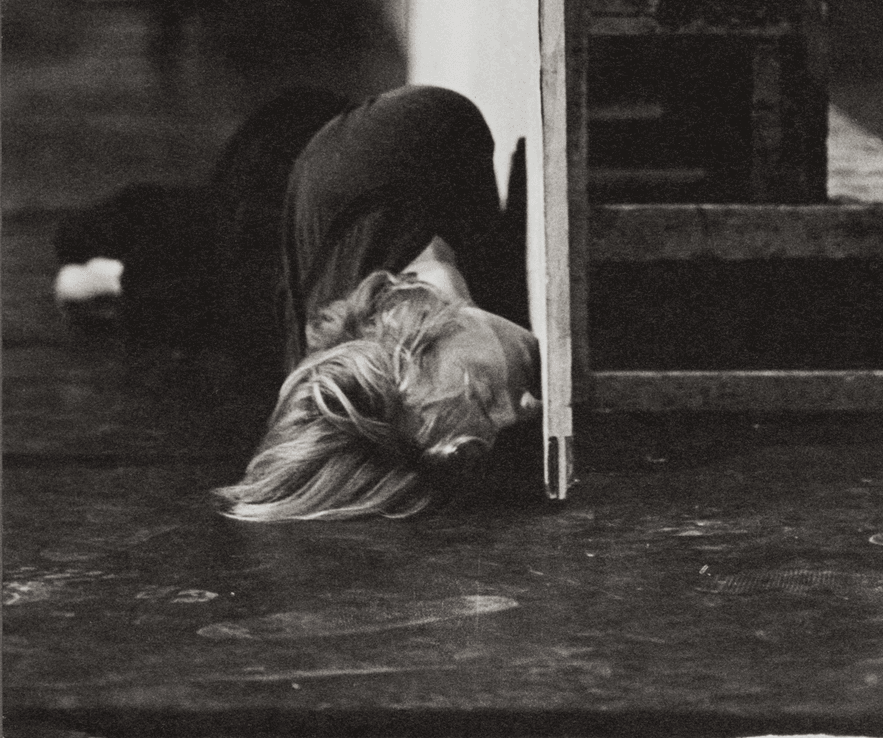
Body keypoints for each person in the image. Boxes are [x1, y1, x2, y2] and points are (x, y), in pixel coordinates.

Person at [54, 85, 542, 521]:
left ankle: (114, 278)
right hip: (295, 248)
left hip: (270, 174)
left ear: (418, 339)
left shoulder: (395, 149)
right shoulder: (437, 352)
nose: (529, 408)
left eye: (486, 395)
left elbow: (413, 116)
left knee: (136, 243)